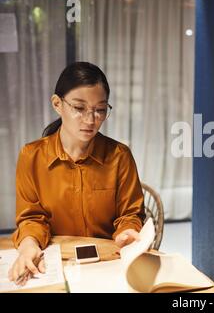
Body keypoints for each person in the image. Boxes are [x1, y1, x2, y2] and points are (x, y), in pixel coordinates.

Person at [8, 62, 146, 285]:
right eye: (79, 108)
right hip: (54, 264)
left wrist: (127, 232)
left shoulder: (120, 156)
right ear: (57, 104)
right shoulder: (31, 156)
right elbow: (31, 218)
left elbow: (129, 215)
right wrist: (29, 245)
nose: (91, 120)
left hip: (107, 264)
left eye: (100, 109)